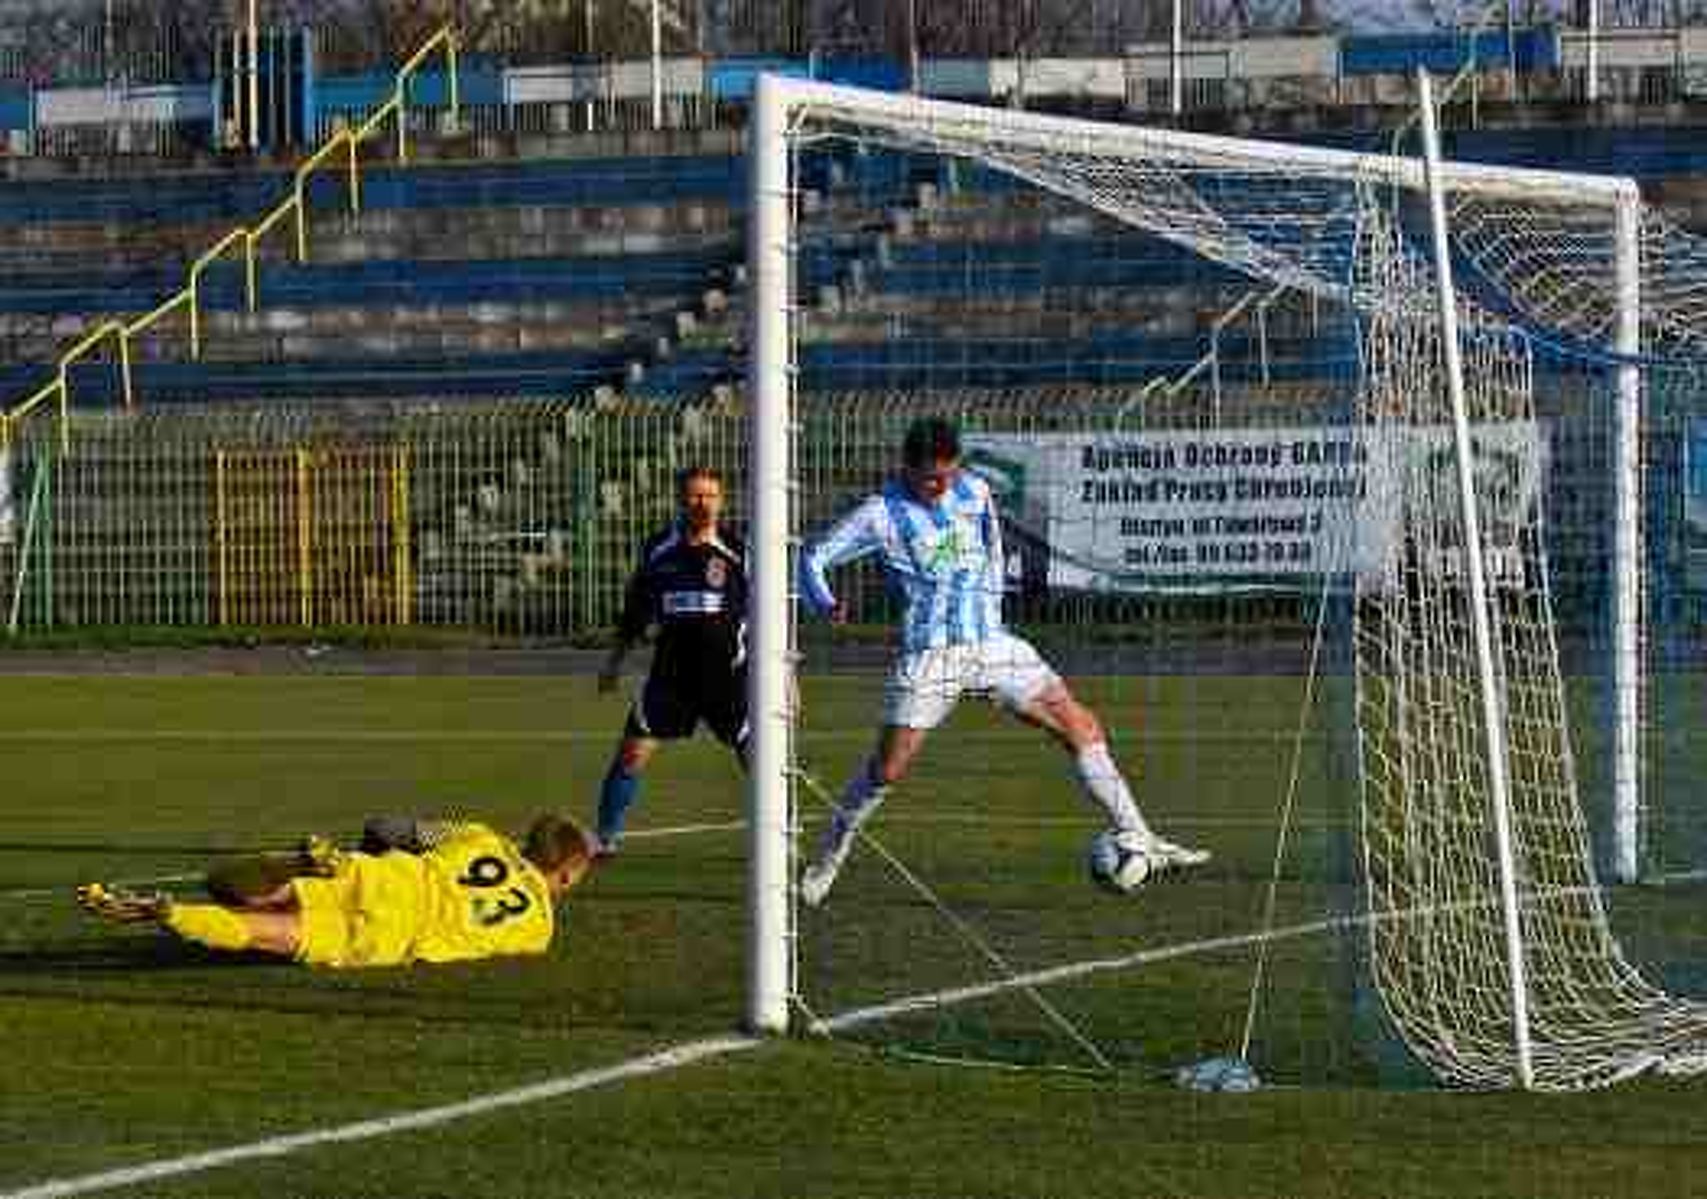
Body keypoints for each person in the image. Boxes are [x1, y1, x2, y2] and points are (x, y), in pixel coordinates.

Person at [796, 416, 1209, 907]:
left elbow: (991, 549)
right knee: (887, 770)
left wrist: (992, 612)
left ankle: (1141, 837)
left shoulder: (973, 491)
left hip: (992, 644)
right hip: (932, 655)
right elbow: (813, 558)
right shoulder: (879, 514)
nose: (941, 485)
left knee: (1079, 724)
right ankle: (828, 859)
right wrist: (824, 603)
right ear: (907, 467)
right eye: (931, 477)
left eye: (947, 474)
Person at [75, 813, 594, 968]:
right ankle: (170, 913)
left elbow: (395, 829)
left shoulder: (479, 835)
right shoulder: (539, 929)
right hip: (397, 934)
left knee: (252, 890)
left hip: (384, 876)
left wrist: (373, 849)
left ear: (527, 842)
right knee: (268, 934)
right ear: (567, 874)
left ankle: (305, 867)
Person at [594, 465, 749, 855]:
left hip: (727, 678)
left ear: (722, 501)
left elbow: (767, 614)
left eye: (710, 496)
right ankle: (605, 838)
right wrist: (614, 662)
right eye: (695, 495)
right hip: (672, 677)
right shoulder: (659, 548)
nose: (703, 504)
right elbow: (635, 611)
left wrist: (786, 676)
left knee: (760, 761)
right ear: (681, 500)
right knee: (630, 755)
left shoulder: (740, 550)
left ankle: (782, 840)